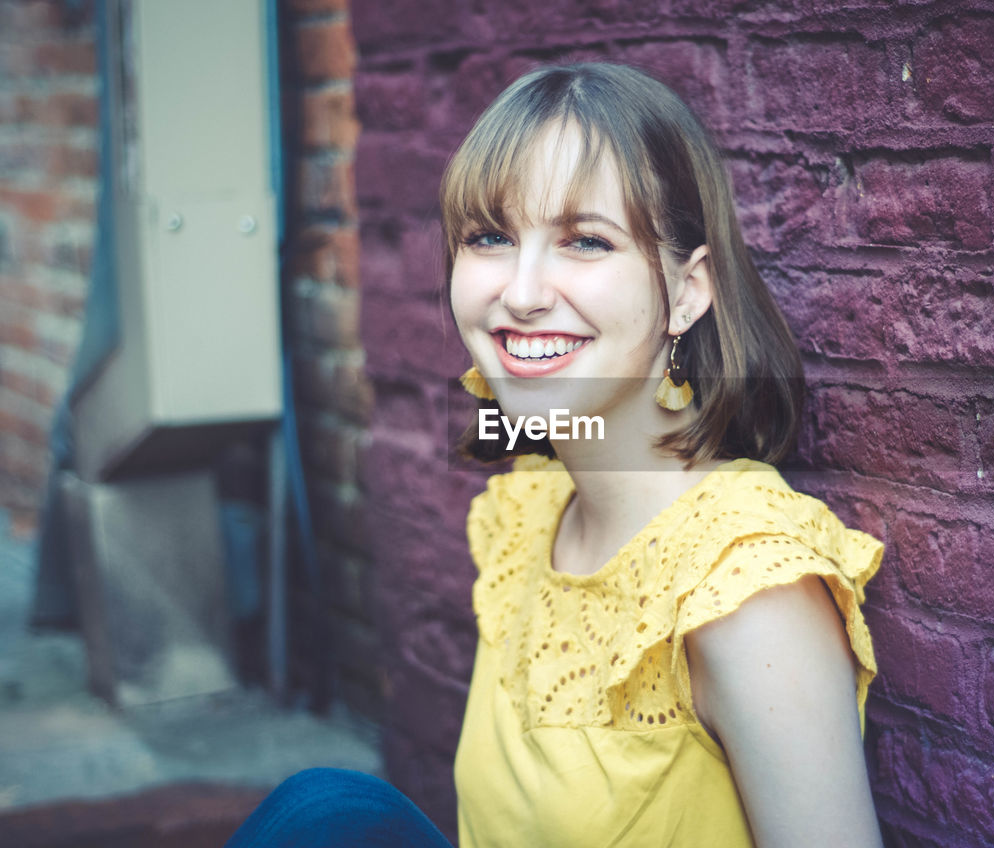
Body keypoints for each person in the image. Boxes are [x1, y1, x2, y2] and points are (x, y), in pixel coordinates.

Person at [226, 62, 884, 848]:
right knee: (325, 815)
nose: (524, 291)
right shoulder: (529, 511)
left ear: (687, 292)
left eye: (585, 241)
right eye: (491, 237)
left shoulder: (744, 590)